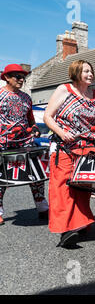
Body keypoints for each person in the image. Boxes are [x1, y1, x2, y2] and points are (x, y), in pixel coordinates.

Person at [44, 60, 95, 247]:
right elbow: (48, 116)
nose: (90, 74)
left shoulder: (94, 94)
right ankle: (65, 230)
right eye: (85, 71)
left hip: (87, 149)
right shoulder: (64, 89)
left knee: (82, 189)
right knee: (62, 188)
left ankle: (79, 223)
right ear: (76, 73)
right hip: (64, 147)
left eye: (91, 71)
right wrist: (62, 133)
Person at [0, 64, 49, 226]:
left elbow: (31, 121)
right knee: (2, 178)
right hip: (3, 144)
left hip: (25, 142)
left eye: (23, 77)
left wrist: (34, 129)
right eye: (17, 77)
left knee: (36, 174)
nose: (21, 80)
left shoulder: (27, 97)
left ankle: (42, 206)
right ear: (7, 77)